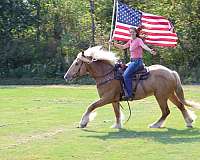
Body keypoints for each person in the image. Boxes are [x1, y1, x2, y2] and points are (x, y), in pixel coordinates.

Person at [109, 27, 156, 101]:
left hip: (137, 62)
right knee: (120, 71)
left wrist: (150, 50)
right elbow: (123, 47)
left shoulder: (138, 40)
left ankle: (129, 94)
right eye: (130, 32)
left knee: (126, 75)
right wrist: (113, 44)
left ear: (136, 33)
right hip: (132, 61)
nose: (131, 33)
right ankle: (123, 91)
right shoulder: (130, 41)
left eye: (133, 32)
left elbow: (144, 46)